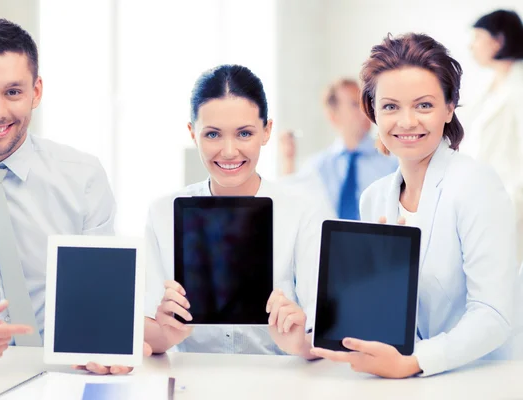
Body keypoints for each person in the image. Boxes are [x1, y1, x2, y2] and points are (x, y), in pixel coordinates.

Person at [271, 32, 520, 377]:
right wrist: (308, 338)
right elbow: (381, 313)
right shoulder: (375, 198)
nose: (406, 121)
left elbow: (494, 313)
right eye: (390, 106)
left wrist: (415, 362)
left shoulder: (476, 185)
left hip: (479, 377)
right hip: (405, 381)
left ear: (449, 108)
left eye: (424, 105)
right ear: (372, 112)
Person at [0, 18, 147, 374]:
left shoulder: (82, 177)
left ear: (36, 92)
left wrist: (109, 345)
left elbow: (101, 303)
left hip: (64, 377)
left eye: (13, 92)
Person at [143, 64, 332, 355]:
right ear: (193, 133)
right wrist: (165, 333)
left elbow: (321, 336)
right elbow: (148, 336)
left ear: (267, 131)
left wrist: (298, 341)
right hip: (192, 382)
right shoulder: (161, 213)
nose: (229, 151)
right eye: (213, 135)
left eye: (244, 134)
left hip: (278, 381)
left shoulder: (303, 212)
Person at [280, 79, 397, 220]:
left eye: (367, 102)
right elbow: (291, 202)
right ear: (333, 116)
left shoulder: (393, 160)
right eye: (355, 104)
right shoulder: (318, 166)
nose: (365, 110)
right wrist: (288, 159)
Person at [461, 9, 523, 263]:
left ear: (498, 40)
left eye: (477, 37)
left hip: (511, 206)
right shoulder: (488, 86)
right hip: (482, 204)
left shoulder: (518, 86)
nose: (471, 45)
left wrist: (512, 205)